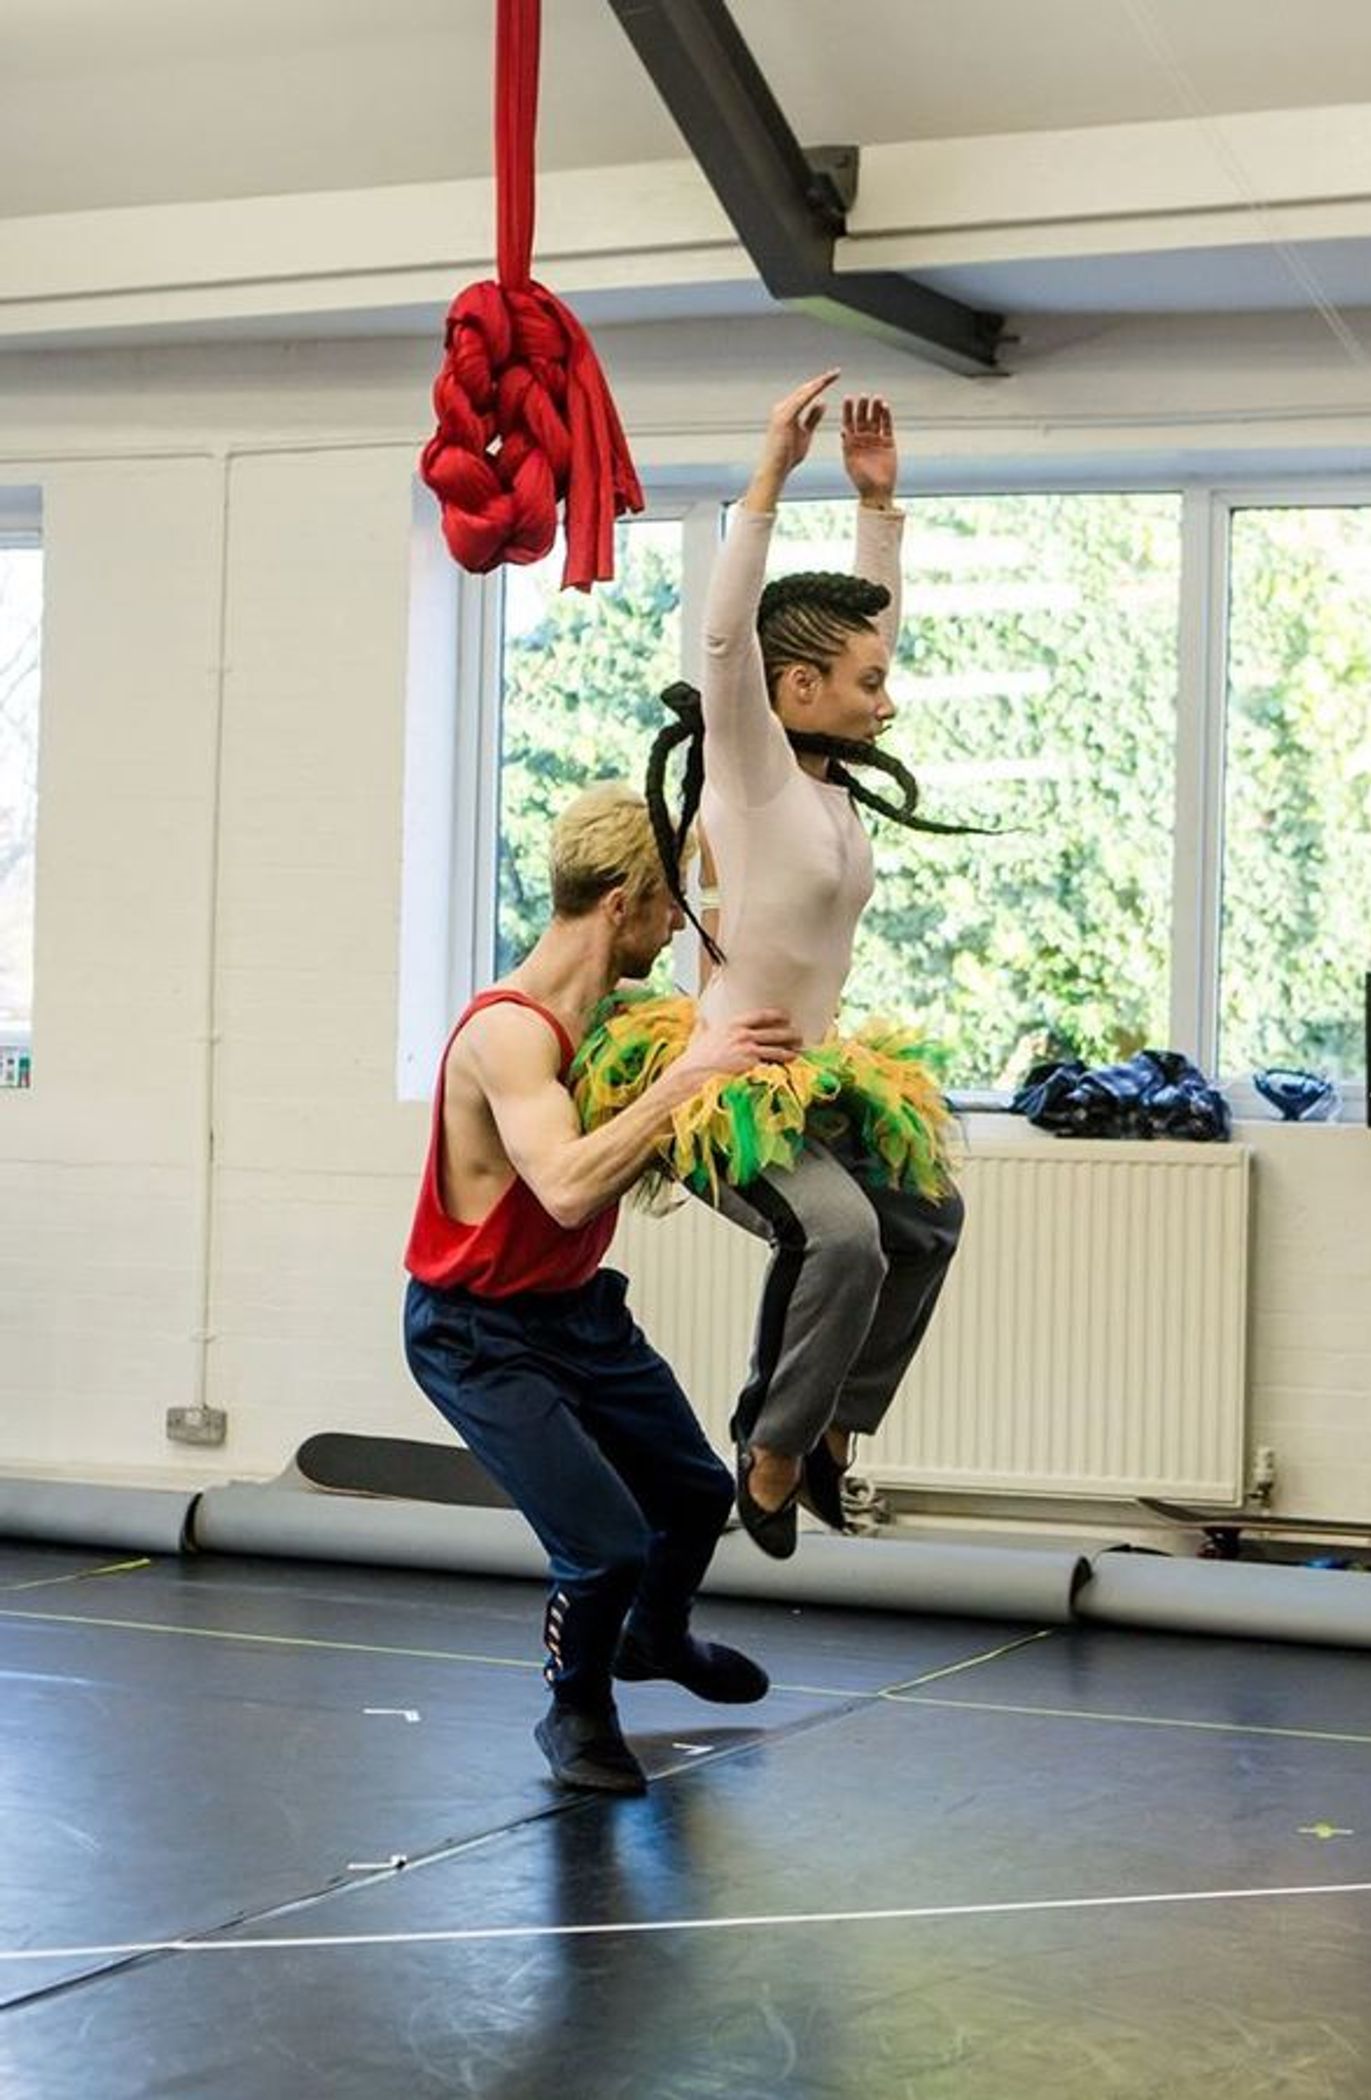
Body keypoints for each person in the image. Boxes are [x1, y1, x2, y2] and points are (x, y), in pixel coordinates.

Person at [572, 374, 968, 1559]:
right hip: (719, 1084)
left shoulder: (825, 781)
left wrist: (877, 507)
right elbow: (725, 636)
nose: (884, 697)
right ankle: (771, 1446)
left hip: (812, 1072)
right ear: (794, 691)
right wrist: (769, 477)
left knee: (928, 1219)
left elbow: (859, 628)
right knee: (839, 1235)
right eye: (865, 683)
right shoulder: (745, 774)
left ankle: (837, 1428)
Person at [402, 783, 799, 1796]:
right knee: (605, 1544)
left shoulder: (621, 1024)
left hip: (579, 1315)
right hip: (477, 1334)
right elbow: (571, 1188)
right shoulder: (510, 1033)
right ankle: (575, 1710)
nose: (676, 927)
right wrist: (682, 1082)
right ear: (621, 901)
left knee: (696, 1492)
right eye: (670, 906)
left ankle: (652, 1640)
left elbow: (687, 1116)